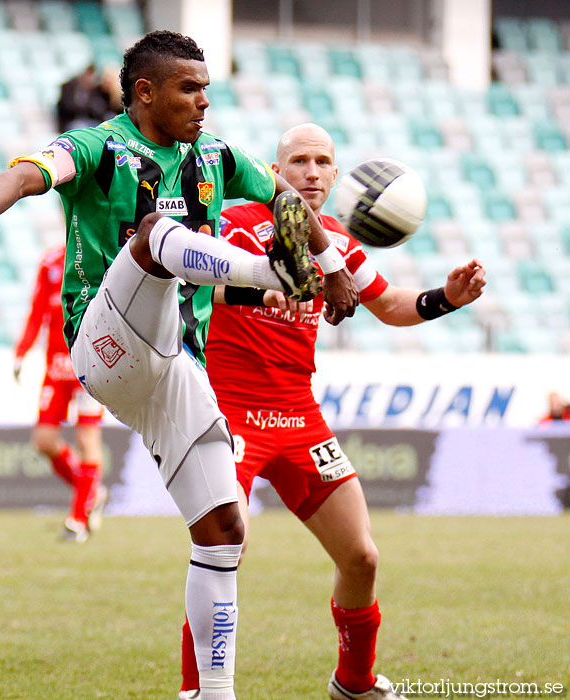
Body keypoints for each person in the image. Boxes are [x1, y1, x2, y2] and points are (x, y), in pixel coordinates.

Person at [0, 31, 359, 700]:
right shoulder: (99, 146)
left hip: (171, 365)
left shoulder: (215, 156)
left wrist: (335, 264)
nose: (204, 101)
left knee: (224, 531)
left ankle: (211, 694)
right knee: (153, 235)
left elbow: (286, 196)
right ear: (145, 92)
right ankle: (269, 269)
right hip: (104, 341)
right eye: (189, 88)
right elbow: (28, 170)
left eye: (206, 88)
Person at [176, 123, 487, 700]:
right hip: (229, 413)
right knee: (224, 551)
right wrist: (258, 288)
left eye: (322, 162)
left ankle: (355, 682)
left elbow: (391, 306)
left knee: (362, 556)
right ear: (275, 172)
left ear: (338, 177)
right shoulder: (237, 226)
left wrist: (446, 298)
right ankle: (200, 691)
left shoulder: (339, 244)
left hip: (298, 418)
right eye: (298, 161)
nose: (311, 172)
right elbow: (194, 284)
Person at [13, 244, 106, 543]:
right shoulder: (51, 262)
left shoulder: (100, 257)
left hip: (90, 367)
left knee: (86, 438)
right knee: (43, 441)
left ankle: (78, 520)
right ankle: (92, 490)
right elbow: (38, 310)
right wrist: (21, 352)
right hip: (55, 368)